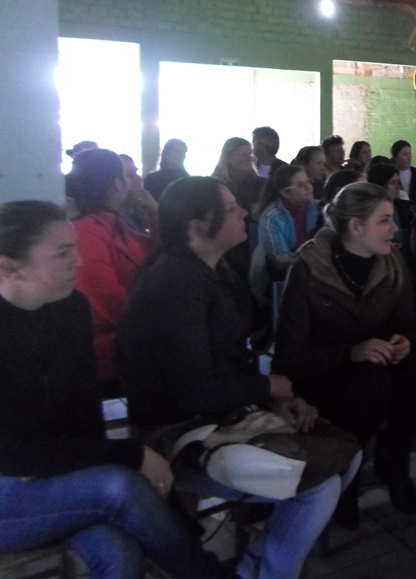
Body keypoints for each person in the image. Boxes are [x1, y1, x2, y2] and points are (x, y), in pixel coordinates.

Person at [115, 176, 346, 579]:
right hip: (176, 432)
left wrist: (274, 398)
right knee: (319, 483)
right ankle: (266, 571)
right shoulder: (174, 283)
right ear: (196, 225)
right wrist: (266, 387)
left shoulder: (216, 269)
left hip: (224, 412)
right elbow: (194, 392)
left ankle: (257, 564)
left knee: (345, 450)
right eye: (229, 206)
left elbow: (235, 357)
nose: (244, 210)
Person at [0, 200, 224, 579]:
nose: (80, 261)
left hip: (59, 476)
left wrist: (72, 462)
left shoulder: (70, 308)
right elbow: (12, 454)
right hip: (10, 492)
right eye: (63, 252)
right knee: (116, 487)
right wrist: (131, 454)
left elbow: (84, 412)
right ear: (9, 267)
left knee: (118, 551)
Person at [274, 183, 416, 526]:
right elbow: (289, 358)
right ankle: (346, 469)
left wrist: (402, 343)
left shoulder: (391, 262)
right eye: (384, 220)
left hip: (374, 366)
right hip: (324, 373)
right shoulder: (308, 270)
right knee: (370, 386)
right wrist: (350, 352)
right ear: (355, 227)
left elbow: (407, 326)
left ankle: (393, 455)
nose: (395, 228)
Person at [65, 148, 158, 393]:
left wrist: (154, 211)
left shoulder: (113, 223)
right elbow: (109, 301)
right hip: (107, 349)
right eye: (129, 175)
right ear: (117, 183)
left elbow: (157, 252)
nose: (137, 181)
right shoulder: (86, 232)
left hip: (128, 335)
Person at [250, 165, 318, 301]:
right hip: (280, 280)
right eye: (300, 185)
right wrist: (317, 261)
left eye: (308, 181)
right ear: (285, 193)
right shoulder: (271, 217)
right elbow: (279, 259)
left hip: (312, 274)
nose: (308, 187)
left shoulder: (318, 207)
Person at [212, 137, 264, 278]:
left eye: (250, 154)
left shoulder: (262, 184)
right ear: (228, 158)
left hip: (257, 242)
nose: (249, 158)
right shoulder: (216, 185)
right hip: (229, 246)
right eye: (243, 154)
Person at [366, 162, 416, 252]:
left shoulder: (406, 207)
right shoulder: (369, 211)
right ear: (379, 185)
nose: (398, 186)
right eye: (392, 182)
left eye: (398, 182)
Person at [390, 140, 416, 204]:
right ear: (395, 157)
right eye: (404, 154)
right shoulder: (389, 174)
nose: (409, 157)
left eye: (410, 153)